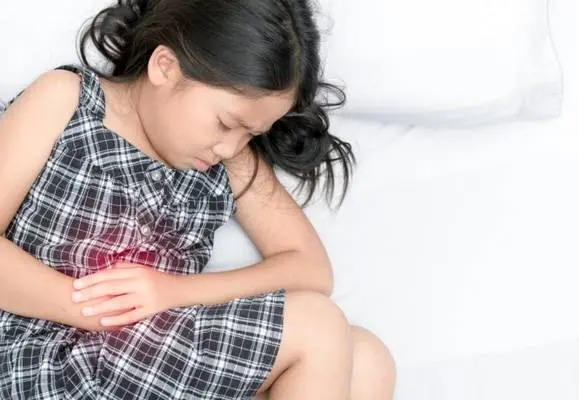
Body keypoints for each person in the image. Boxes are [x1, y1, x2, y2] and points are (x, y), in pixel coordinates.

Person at [0, 0, 396, 398]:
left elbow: (310, 269)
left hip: (148, 360)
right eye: (225, 123)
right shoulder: (68, 101)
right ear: (166, 67)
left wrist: (173, 291)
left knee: (366, 359)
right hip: (50, 360)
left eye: (250, 135)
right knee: (316, 326)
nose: (230, 147)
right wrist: (99, 308)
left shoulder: (230, 161)